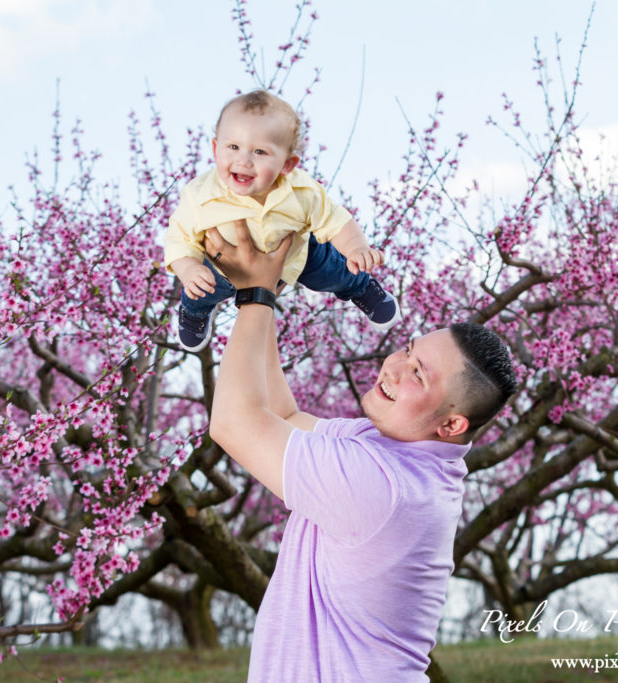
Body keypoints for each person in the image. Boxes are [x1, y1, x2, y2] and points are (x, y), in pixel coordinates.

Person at [206, 223, 518, 682]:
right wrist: (263, 286)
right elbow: (283, 417)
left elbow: (233, 424)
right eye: (407, 350)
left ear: (452, 424)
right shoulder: (392, 451)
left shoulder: (385, 487)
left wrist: (254, 294)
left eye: (418, 374)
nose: (393, 367)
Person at [164, 89, 401, 352]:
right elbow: (179, 237)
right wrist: (187, 268)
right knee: (201, 288)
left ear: (287, 164)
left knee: (333, 269)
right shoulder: (199, 195)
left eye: (260, 152)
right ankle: (193, 312)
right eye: (233, 147)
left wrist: (356, 248)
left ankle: (360, 286)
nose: (243, 160)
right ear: (215, 147)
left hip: (296, 254)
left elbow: (336, 220)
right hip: (221, 266)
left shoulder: (301, 190)